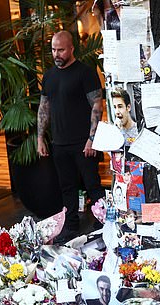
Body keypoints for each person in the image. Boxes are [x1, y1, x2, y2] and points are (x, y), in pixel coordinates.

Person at [37, 31, 105, 242]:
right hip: (59, 142)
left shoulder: (85, 73)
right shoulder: (48, 76)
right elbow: (44, 107)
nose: (57, 54)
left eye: (61, 50)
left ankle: (104, 222)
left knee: (93, 185)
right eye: (54, 50)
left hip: (83, 142)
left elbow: (97, 105)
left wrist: (92, 138)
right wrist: (40, 137)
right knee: (67, 187)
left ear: (71, 48)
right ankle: (71, 226)